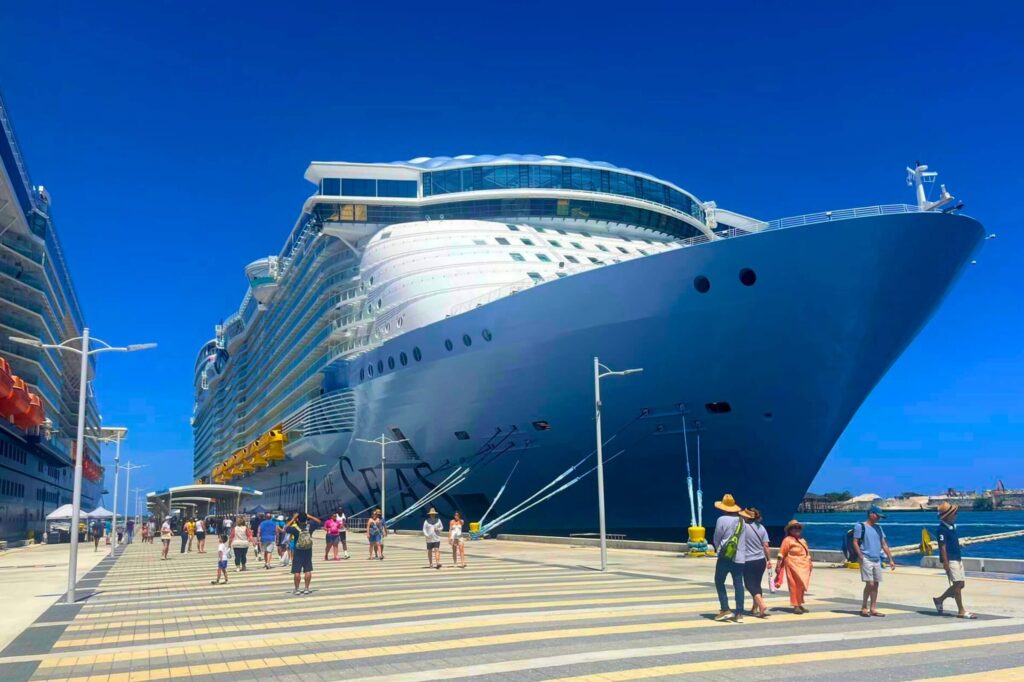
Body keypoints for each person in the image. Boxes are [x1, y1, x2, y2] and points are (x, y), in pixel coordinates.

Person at [932, 502, 976, 619]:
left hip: (957, 558)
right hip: (950, 560)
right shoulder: (942, 529)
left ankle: (939, 599)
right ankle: (961, 610)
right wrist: (945, 563)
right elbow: (942, 547)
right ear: (948, 515)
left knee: (961, 584)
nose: (956, 515)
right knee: (957, 585)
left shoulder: (951, 527)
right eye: (954, 513)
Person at [853, 505, 896, 618]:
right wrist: (860, 556)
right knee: (870, 583)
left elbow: (884, 544)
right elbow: (855, 542)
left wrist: (890, 559)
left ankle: (873, 608)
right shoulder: (860, 526)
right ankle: (864, 606)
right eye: (877, 516)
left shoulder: (879, 528)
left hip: (877, 558)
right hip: (866, 557)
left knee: (876, 584)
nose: (879, 518)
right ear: (871, 514)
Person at [712, 494, 746, 622]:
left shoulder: (721, 519)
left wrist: (718, 548)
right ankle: (739, 614)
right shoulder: (742, 520)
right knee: (738, 584)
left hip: (725, 556)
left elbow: (717, 537)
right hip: (740, 557)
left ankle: (725, 609)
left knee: (719, 581)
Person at [775, 519, 812, 614]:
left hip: (803, 566)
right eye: (794, 528)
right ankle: (795, 605)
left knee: (801, 586)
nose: (797, 529)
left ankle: (799, 603)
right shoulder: (787, 540)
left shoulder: (802, 540)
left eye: (798, 527)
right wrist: (778, 566)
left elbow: (807, 552)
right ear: (790, 530)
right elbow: (781, 553)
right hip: (792, 566)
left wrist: (810, 563)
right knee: (794, 585)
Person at [740, 508, 771, 617]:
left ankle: (761, 605)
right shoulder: (761, 527)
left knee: (749, 584)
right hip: (761, 560)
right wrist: (769, 560)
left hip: (748, 560)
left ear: (747, 517)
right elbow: (766, 546)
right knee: (757, 584)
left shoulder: (743, 527)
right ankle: (755, 608)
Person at [286, 512, 321, 594]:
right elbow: (319, 522)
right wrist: (309, 516)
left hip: (298, 552)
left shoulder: (295, 529)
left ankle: (297, 589)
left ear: (298, 519)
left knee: (297, 571)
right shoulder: (310, 527)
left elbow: (286, 528)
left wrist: (293, 518)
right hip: (308, 551)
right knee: (308, 570)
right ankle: (306, 588)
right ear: (306, 519)